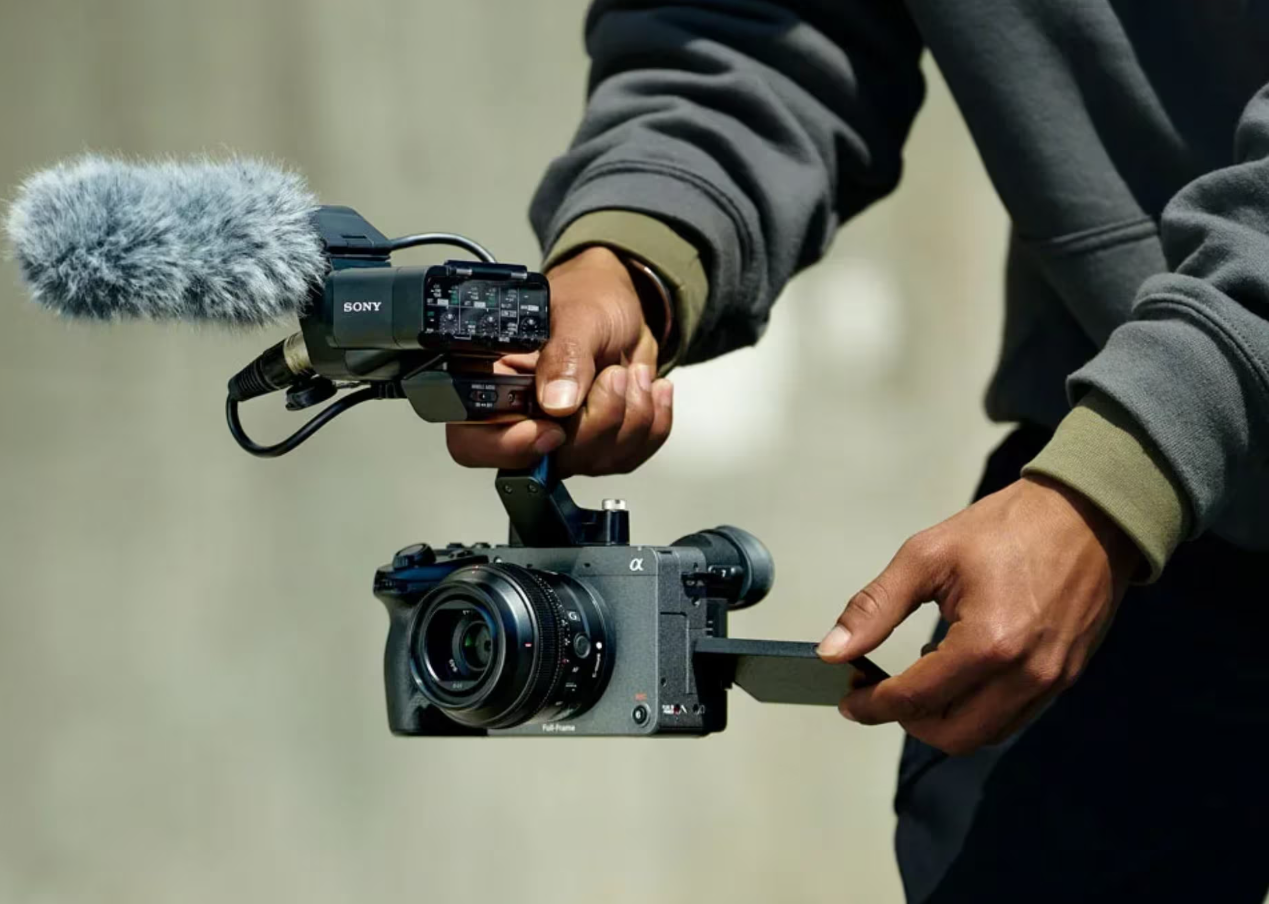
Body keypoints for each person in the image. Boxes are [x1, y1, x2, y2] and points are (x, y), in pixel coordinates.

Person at [448, 3, 1269, 901]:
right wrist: (636, 255)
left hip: (1132, 454)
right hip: (1136, 490)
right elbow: (755, 25)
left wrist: (1121, 469)